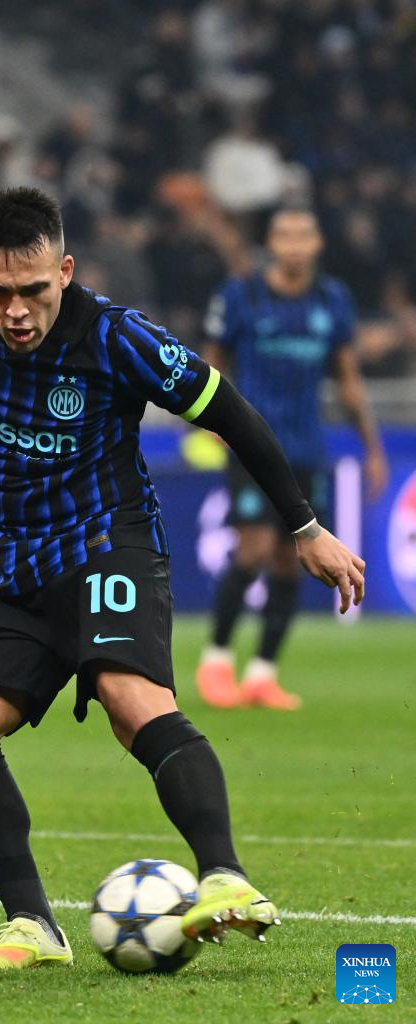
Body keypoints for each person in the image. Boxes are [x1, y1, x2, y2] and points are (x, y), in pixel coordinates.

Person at [0, 187, 366, 970]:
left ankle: (226, 879)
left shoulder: (115, 335)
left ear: (64, 272)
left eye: (34, 290)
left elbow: (228, 412)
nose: (16, 312)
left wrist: (305, 528)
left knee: (128, 698)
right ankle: (34, 924)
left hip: (109, 546)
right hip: (12, 564)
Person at [195, 208, 387, 710]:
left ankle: (262, 673)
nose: (295, 244)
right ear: (272, 244)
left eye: (304, 234)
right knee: (253, 550)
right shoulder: (241, 295)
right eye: (285, 235)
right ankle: (216, 662)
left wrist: (372, 449)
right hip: (250, 447)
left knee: (290, 559)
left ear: (318, 243)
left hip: (306, 449)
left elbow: (348, 380)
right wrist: (211, 419)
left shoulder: (332, 300)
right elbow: (212, 361)